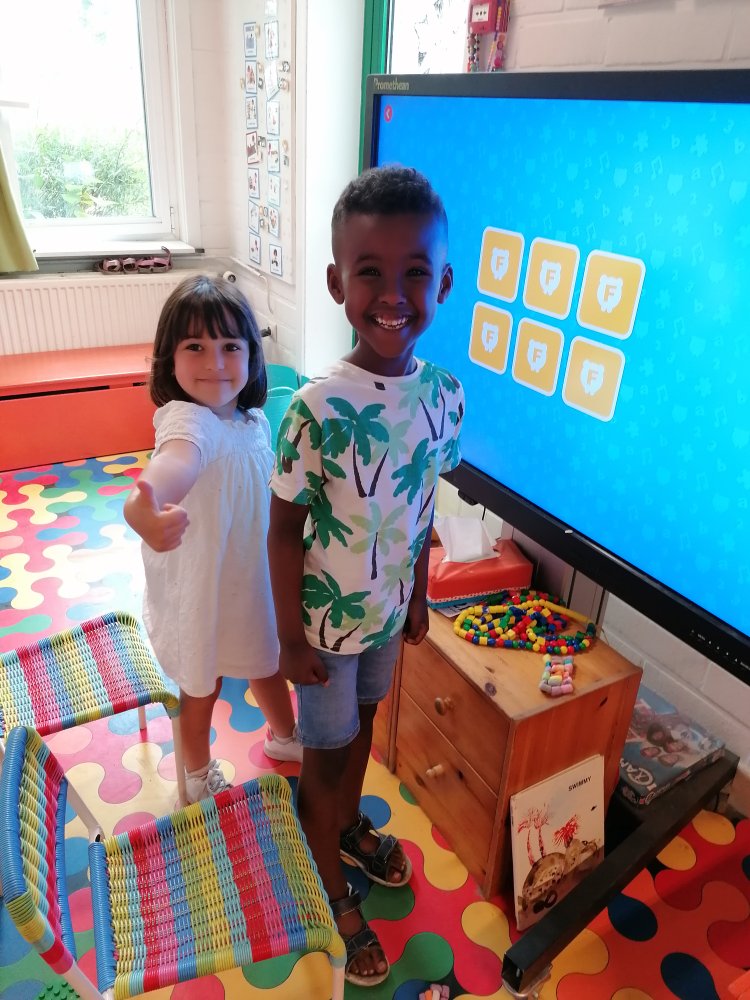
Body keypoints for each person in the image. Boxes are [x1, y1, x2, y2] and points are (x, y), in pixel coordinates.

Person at [267, 166, 464, 987]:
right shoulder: (316, 407)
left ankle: (344, 828)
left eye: (415, 272)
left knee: (362, 732)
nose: (392, 294)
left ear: (442, 283)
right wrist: (288, 641)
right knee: (323, 756)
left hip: (387, 616)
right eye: (370, 271)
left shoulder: (445, 396)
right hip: (322, 628)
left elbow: (421, 501)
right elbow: (283, 532)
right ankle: (333, 892)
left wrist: (419, 592)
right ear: (336, 282)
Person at [124, 274, 301, 806]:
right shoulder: (188, 422)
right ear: (170, 358)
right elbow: (174, 464)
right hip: (203, 583)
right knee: (202, 684)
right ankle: (196, 776)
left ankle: (286, 736)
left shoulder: (252, 421)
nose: (215, 363)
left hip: (249, 576)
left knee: (266, 659)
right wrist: (143, 507)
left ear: (252, 355)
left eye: (230, 347)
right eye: (195, 347)